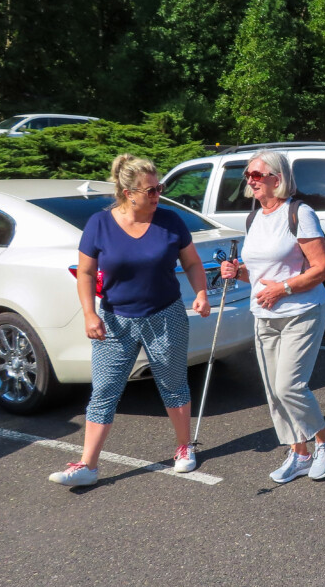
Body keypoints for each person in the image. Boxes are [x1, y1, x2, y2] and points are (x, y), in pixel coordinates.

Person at [49, 154, 211, 487]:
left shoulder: (171, 221)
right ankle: (87, 466)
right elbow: (85, 272)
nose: (157, 196)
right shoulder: (100, 223)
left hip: (165, 315)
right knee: (104, 391)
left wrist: (201, 292)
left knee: (172, 384)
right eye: (150, 190)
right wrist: (89, 313)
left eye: (159, 188)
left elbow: (193, 263)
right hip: (114, 319)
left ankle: (184, 448)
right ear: (127, 193)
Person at [220, 150, 325, 484]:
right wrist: (238, 271)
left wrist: (284, 289)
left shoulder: (299, 213)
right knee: (274, 392)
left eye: (257, 174)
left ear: (278, 177)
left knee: (290, 386)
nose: (250, 180)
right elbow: (261, 273)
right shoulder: (254, 217)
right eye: (248, 175)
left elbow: (322, 269)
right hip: (263, 315)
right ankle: (299, 453)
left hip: (301, 312)